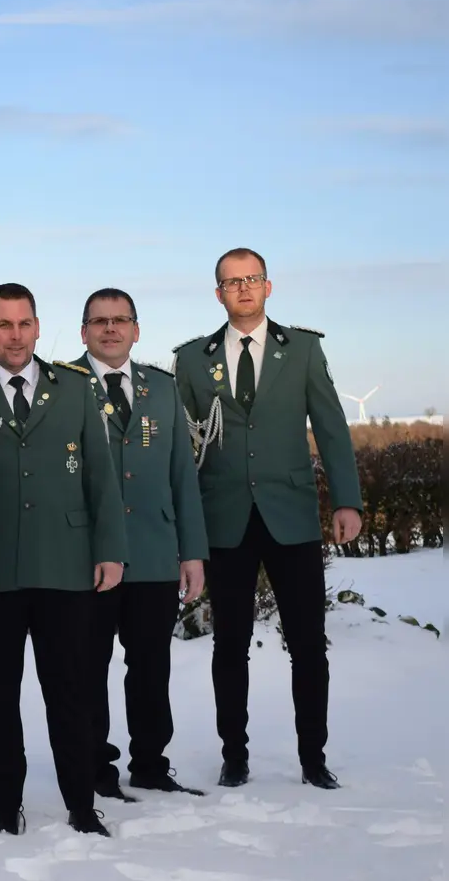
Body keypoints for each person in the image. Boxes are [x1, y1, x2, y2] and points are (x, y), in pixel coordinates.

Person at [172, 247, 362, 790]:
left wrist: (346, 499)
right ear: (219, 294)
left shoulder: (301, 350)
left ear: (268, 286)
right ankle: (235, 755)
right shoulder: (190, 360)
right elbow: (182, 450)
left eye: (252, 278)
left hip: (291, 515)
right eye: (232, 282)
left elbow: (330, 425)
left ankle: (312, 758)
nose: (244, 288)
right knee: (228, 645)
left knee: (307, 644)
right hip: (224, 518)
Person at [0, 282, 127, 837]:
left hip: (65, 565)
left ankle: (81, 803)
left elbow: (101, 476)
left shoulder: (73, 389)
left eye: (25, 323)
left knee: (71, 693)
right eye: (3, 325)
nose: (15, 335)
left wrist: (111, 550)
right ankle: (7, 807)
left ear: (37, 326)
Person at [68, 288, 210, 802]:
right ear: (83, 331)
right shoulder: (64, 385)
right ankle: (94, 768)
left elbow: (181, 475)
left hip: (154, 550)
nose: (110, 329)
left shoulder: (162, 388)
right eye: (99, 321)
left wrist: (191, 551)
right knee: (87, 667)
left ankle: (151, 763)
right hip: (88, 556)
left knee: (151, 665)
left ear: (136, 329)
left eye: (120, 320)